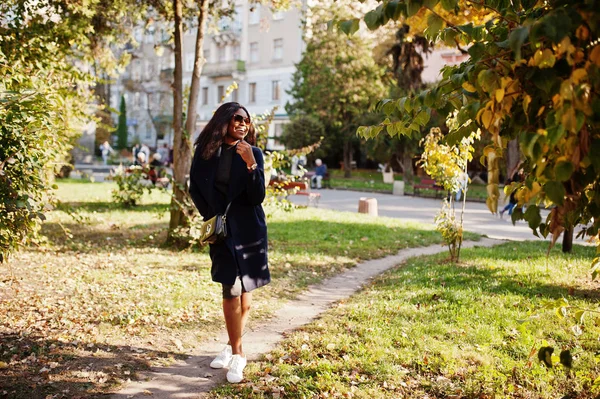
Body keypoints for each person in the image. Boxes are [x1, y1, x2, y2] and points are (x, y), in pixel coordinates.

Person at [189, 102, 269, 384]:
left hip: (249, 230)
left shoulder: (253, 153)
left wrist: (251, 165)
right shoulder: (206, 153)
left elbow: (258, 196)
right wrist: (211, 217)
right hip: (222, 232)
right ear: (224, 120)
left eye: (246, 120)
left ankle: (230, 345)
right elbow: (194, 188)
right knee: (230, 287)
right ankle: (238, 353)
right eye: (237, 118)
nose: (243, 124)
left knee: (245, 286)